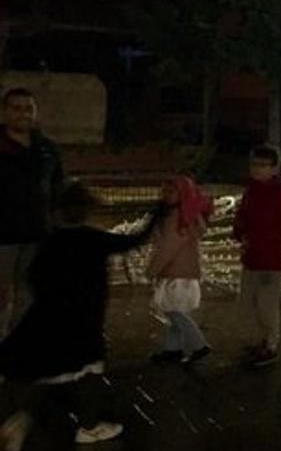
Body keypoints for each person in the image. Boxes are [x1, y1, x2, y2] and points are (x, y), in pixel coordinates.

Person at [0, 182, 156, 448]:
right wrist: (160, 213)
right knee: (89, 372)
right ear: (86, 212)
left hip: (52, 318)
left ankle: (22, 419)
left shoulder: (51, 242)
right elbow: (135, 239)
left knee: (52, 373)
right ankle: (89, 426)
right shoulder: (94, 239)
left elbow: (34, 277)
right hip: (84, 321)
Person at [0, 88, 63, 336]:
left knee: (28, 294)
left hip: (38, 233)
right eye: (16, 108)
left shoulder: (47, 149)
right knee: (1, 296)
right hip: (2, 236)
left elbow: (58, 189)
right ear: (5, 112)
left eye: (28, 108)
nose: (23, 114)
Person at [232, 146, 281, 368]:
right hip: (252, 256)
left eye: (262, 165)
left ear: (274, 168)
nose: (257, 170)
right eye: (254, 164)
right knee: (248, 302)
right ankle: (255, 341)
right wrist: (241, 234)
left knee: (266, 305)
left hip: (271, 258)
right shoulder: (251, 191)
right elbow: (242, 217)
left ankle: (269, 344)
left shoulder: (280, 194)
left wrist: (259, 238)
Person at [147, 176, 213, 365]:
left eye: (170, 191)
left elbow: (169, 247)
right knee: (175, 312)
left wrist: (152, 270)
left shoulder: (175, 217)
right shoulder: (186, 215)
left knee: (174, 311)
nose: (165, 195)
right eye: (164, 191)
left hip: (175, 272)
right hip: (183, 271)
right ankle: (172, 350)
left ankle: (199, 344)